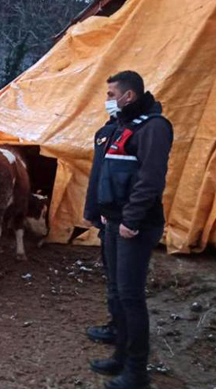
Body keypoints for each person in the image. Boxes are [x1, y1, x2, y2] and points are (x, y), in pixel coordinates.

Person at [90, 71, 173, 389]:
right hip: (114, 221)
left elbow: (150, 179)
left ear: (129, 96)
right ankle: (121, 356)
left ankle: (137, 373)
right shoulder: (123, 126)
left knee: (131, 297)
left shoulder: (154, 128)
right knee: (118, 292)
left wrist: (131, 221)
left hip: (134, 226)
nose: (108, 100)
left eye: (112, 94)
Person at [83, 109, 120, 346]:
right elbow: (99, 175)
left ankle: (119, 329)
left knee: (120, 277)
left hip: (120, 218)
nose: (108, 100)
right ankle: (117, 325)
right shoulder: (106, 132)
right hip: (110, 215)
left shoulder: (141, 131)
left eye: (112, 94)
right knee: (113, 273)